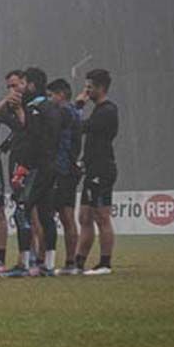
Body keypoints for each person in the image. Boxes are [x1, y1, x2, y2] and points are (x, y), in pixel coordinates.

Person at [0, 67, 62, 277]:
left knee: (21, 211)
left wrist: (24, 166)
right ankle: (49, 265)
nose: (21, 88)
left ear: (32, 85)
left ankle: (24, 264)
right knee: (46, 215)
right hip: (51, 166)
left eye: (23, 84)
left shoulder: (34, 108)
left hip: (36, 167)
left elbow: (32, 138)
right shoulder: (53, 107)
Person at [74, 69, 119, 275]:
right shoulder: (98, 109)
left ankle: (105, 263)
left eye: (89, 87)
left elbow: (82, 127)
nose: (86, 91)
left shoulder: (108, 110)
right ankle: (78, 262)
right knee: (84, 216)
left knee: (102, 216)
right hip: (92, 169)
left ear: (100, 88)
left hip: (102, 169)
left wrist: (78, 106)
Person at [0, 69, 27, 272]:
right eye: (9, 87)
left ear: (25, 83)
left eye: (15, 85)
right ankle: (24, 259)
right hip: (15, 162)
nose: (12, 90)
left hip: (32, 163)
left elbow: (27, 128)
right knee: (20, 209)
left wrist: (21, 109)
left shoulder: (33, 106)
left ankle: (35, 259)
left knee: (30, 212)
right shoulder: (9, 107)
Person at [48, 78, 82, 274]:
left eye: (51, 95)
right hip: (69, 169)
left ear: (60, 94)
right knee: (67, 214)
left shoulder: (63, 113)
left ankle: (57, 261)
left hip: (61, 169)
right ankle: (70, 262)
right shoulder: (75, 112)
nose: (49, 100)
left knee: (61, 216)